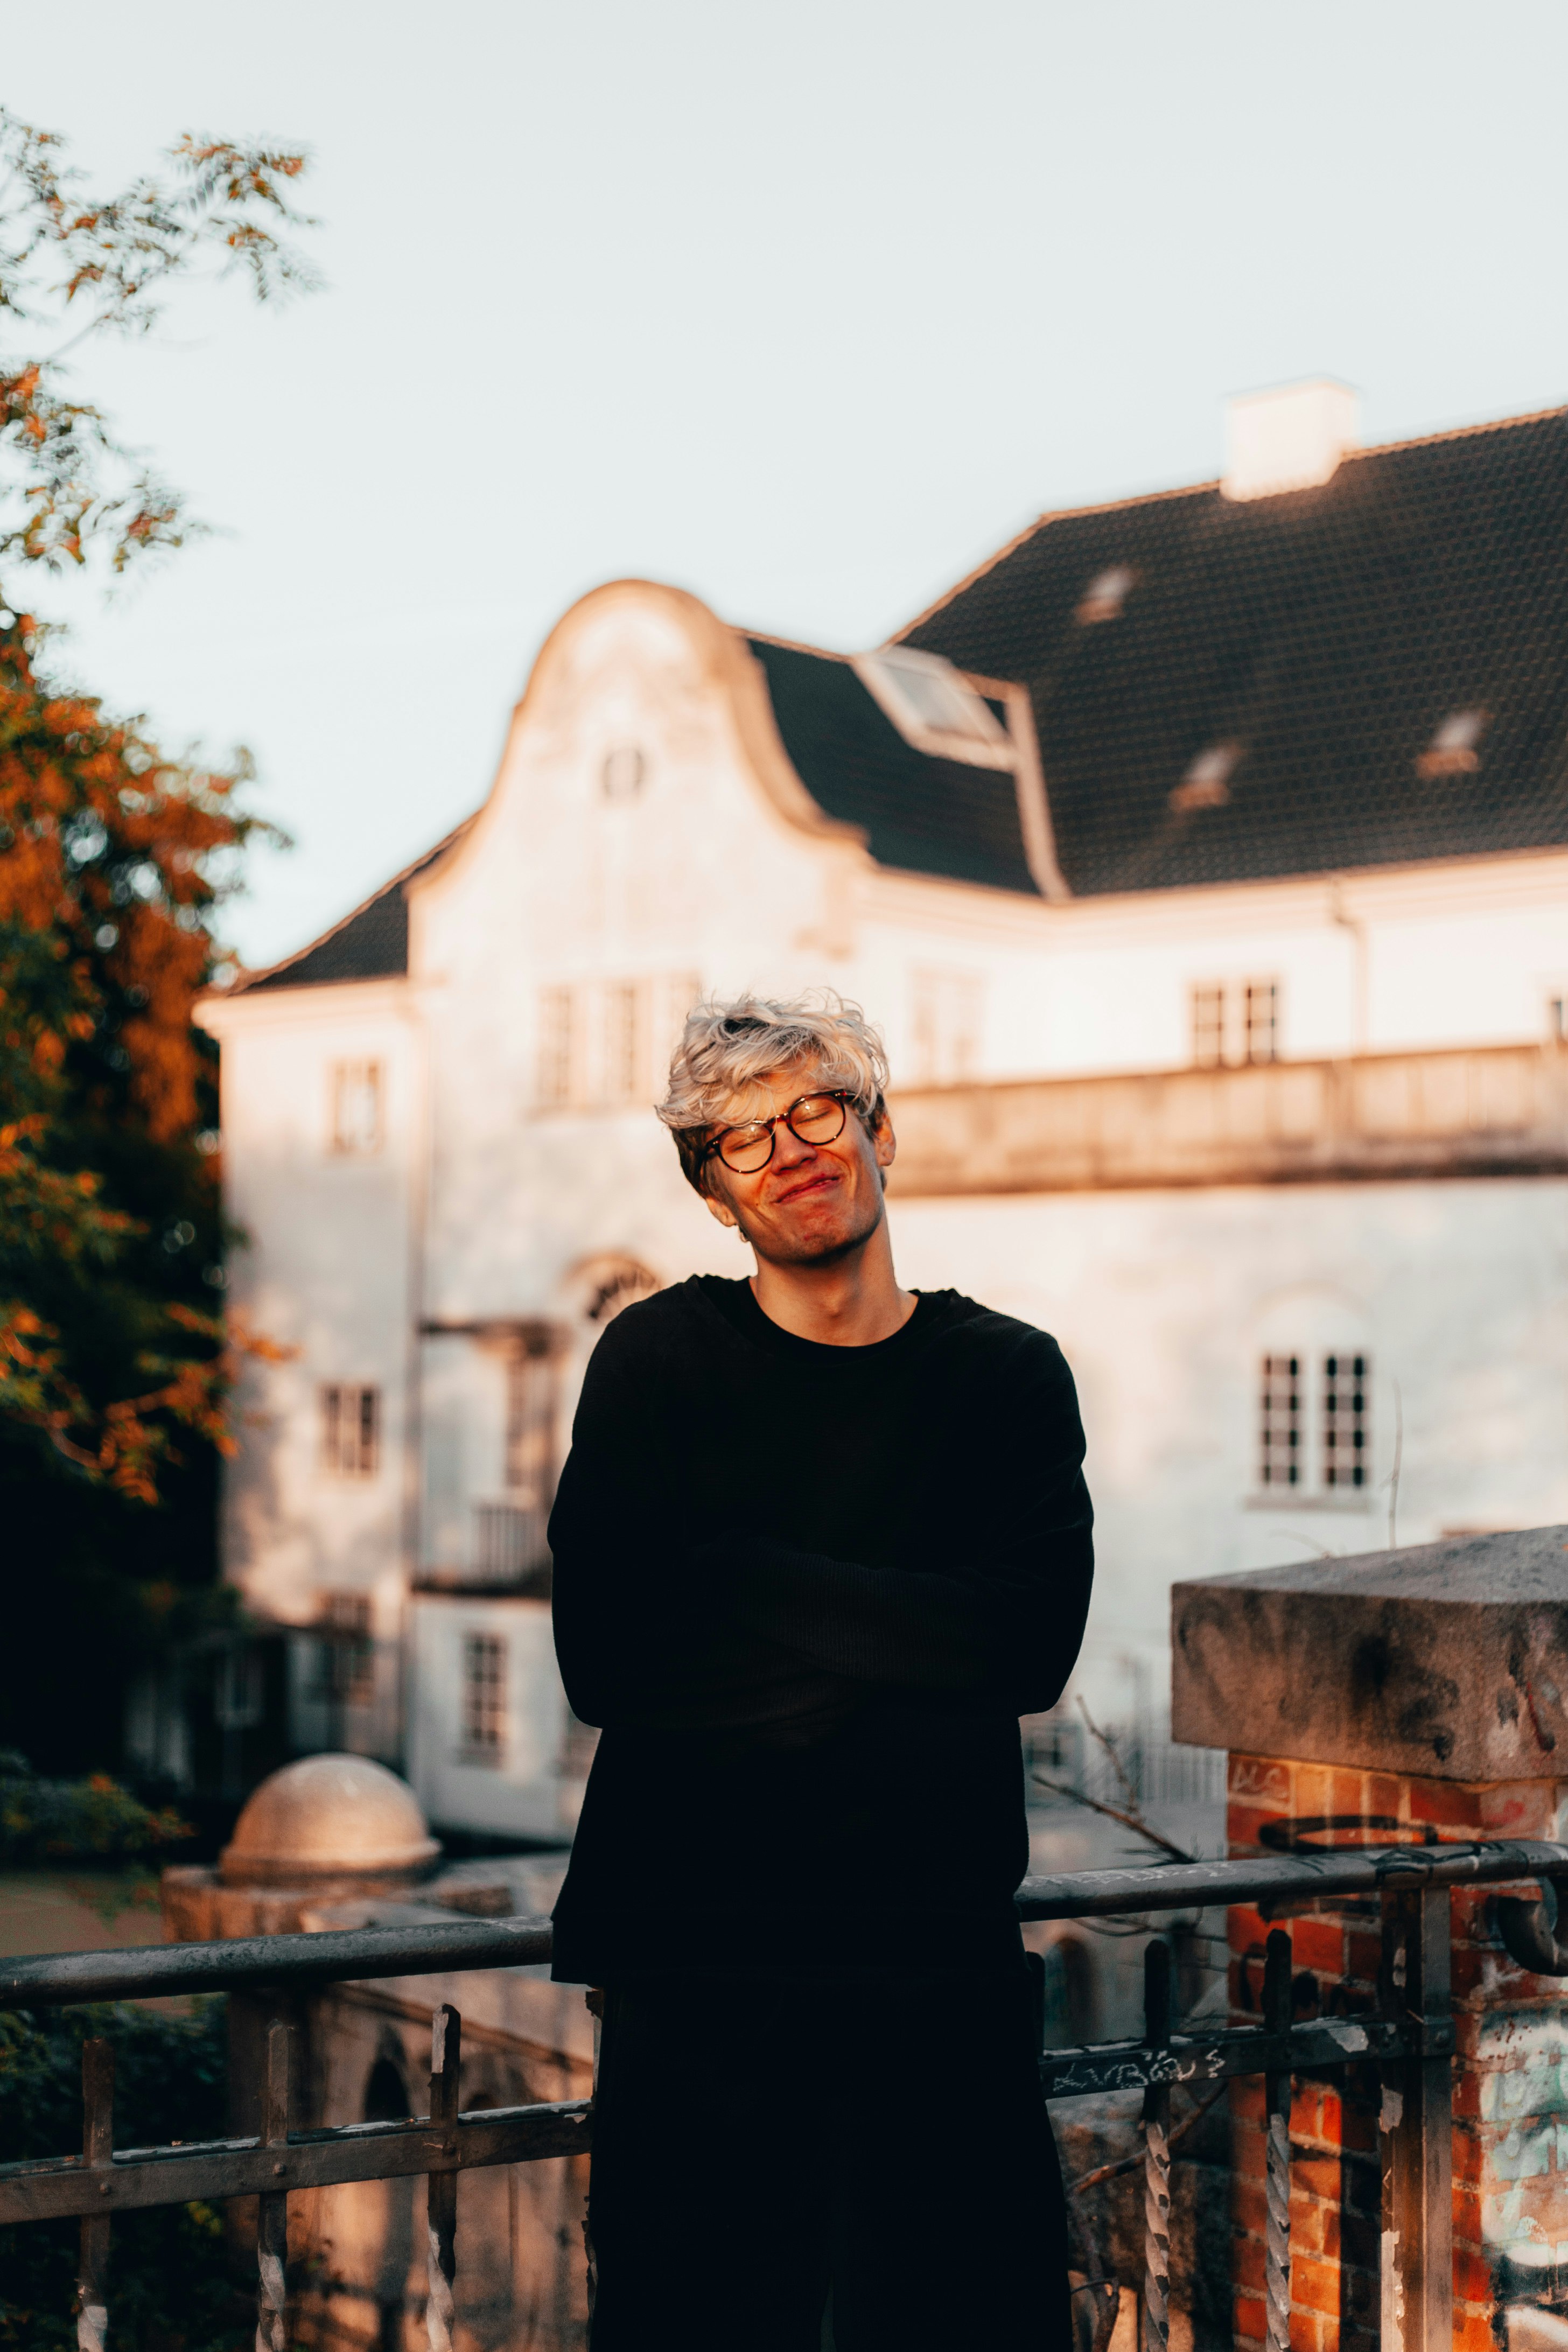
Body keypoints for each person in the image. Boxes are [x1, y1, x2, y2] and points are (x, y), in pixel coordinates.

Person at [548, 992, 1094, 2351]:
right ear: (715, 1200)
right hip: (700, 1982)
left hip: (936, 1984)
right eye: (740, 1141)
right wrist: (917, 1642)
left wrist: (729, 1574)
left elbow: (1025, 1647)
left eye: (814, 1110)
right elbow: (606, 1660)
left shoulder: (1007, 1379)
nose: (788, 1149)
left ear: (879, 1131)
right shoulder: (657, 1360)